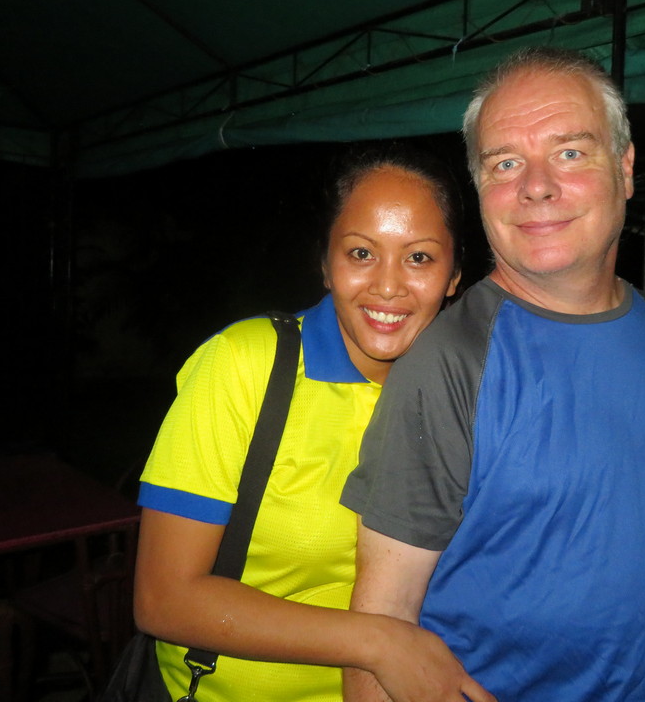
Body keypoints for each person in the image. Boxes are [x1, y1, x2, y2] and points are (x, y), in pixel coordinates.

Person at [341, 47, 645, 701]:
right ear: (481, 189)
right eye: (505, 163)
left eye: (570, 152)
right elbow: (381, 622)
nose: (536, 186)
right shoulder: (449, 363)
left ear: (625, 168)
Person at [133, 143, 496, 702]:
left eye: (419, 258)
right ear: (326, 264)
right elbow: (163, 598)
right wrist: (378, 644)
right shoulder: (245, 365)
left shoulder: (472, 394)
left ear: (454, 275)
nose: (388, 286)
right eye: (361, 253)